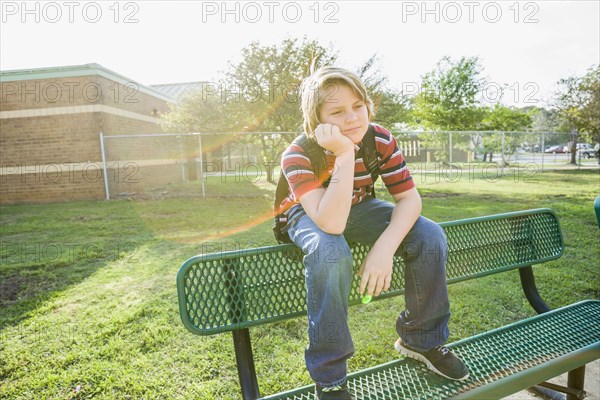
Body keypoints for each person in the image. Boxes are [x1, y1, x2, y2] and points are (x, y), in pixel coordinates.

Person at [278, 66, 469, 400]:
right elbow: (331, 223)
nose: (352, 118)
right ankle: (330, 376)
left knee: (429, 236)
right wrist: (344, 153)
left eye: (358, 106)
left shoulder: (379, 138)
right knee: (330, 252)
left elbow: (409, 199)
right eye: (337, 111)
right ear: (316, 119)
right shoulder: (297, 154)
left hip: (359, 205)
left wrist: (384, 248)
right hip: (309, 213)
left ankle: (421, 339)